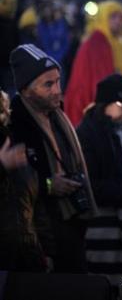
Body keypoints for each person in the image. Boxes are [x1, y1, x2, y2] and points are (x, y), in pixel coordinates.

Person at [9, 44, 98, 273]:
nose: (57, 90)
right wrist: (48, 183)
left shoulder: (58, 115)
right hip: (41, 230)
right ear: (26, 89)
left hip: (72, 221)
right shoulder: (13, 123)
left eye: (58, 81)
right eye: (48, 84)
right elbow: (11, 187)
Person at [76, 74, 122, 291]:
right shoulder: (88, 134)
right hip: (106, 229)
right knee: (110, 286)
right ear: (105, 103)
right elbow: (91, 184)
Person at [0, 87, 47, 272]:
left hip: (27, 256)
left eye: (3, 108)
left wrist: (46, 252)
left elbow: (36, 206)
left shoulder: (17, 148)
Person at [65, 0, 122, 126]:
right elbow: (100, 79)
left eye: (120, 17)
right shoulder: (98, 42)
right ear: (103, 18)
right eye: (112, 17)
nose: (117, 21)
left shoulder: (114, 42)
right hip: (88, 101)